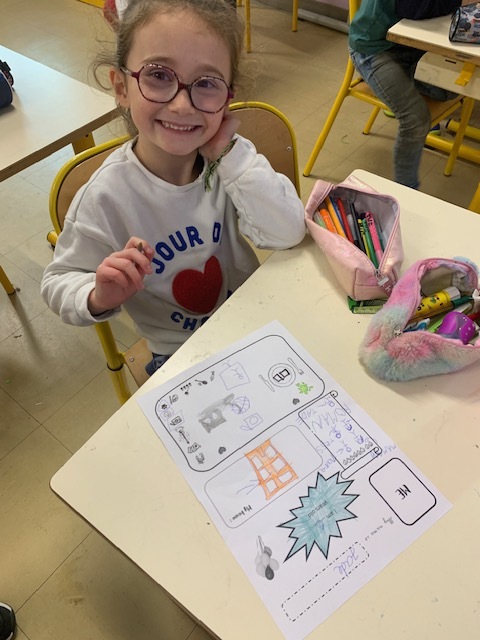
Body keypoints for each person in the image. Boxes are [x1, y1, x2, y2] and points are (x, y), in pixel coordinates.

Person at [41, 0, 305, 376]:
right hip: (178, 353)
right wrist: (97, 296)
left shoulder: (231, 161)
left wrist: (228, 155)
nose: (182, 105)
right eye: (158, 75)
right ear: (121, 87)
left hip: (252, 319)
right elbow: (57, 281)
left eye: (207, 83)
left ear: (228, 98)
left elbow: (289, 231)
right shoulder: (105, 196)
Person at [348, 0, 468, 190]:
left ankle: (399, 83)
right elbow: (412, 8)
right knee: (416, 119)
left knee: (450, 89)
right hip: (374, 49)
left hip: (409, 45)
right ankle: (405, 191)